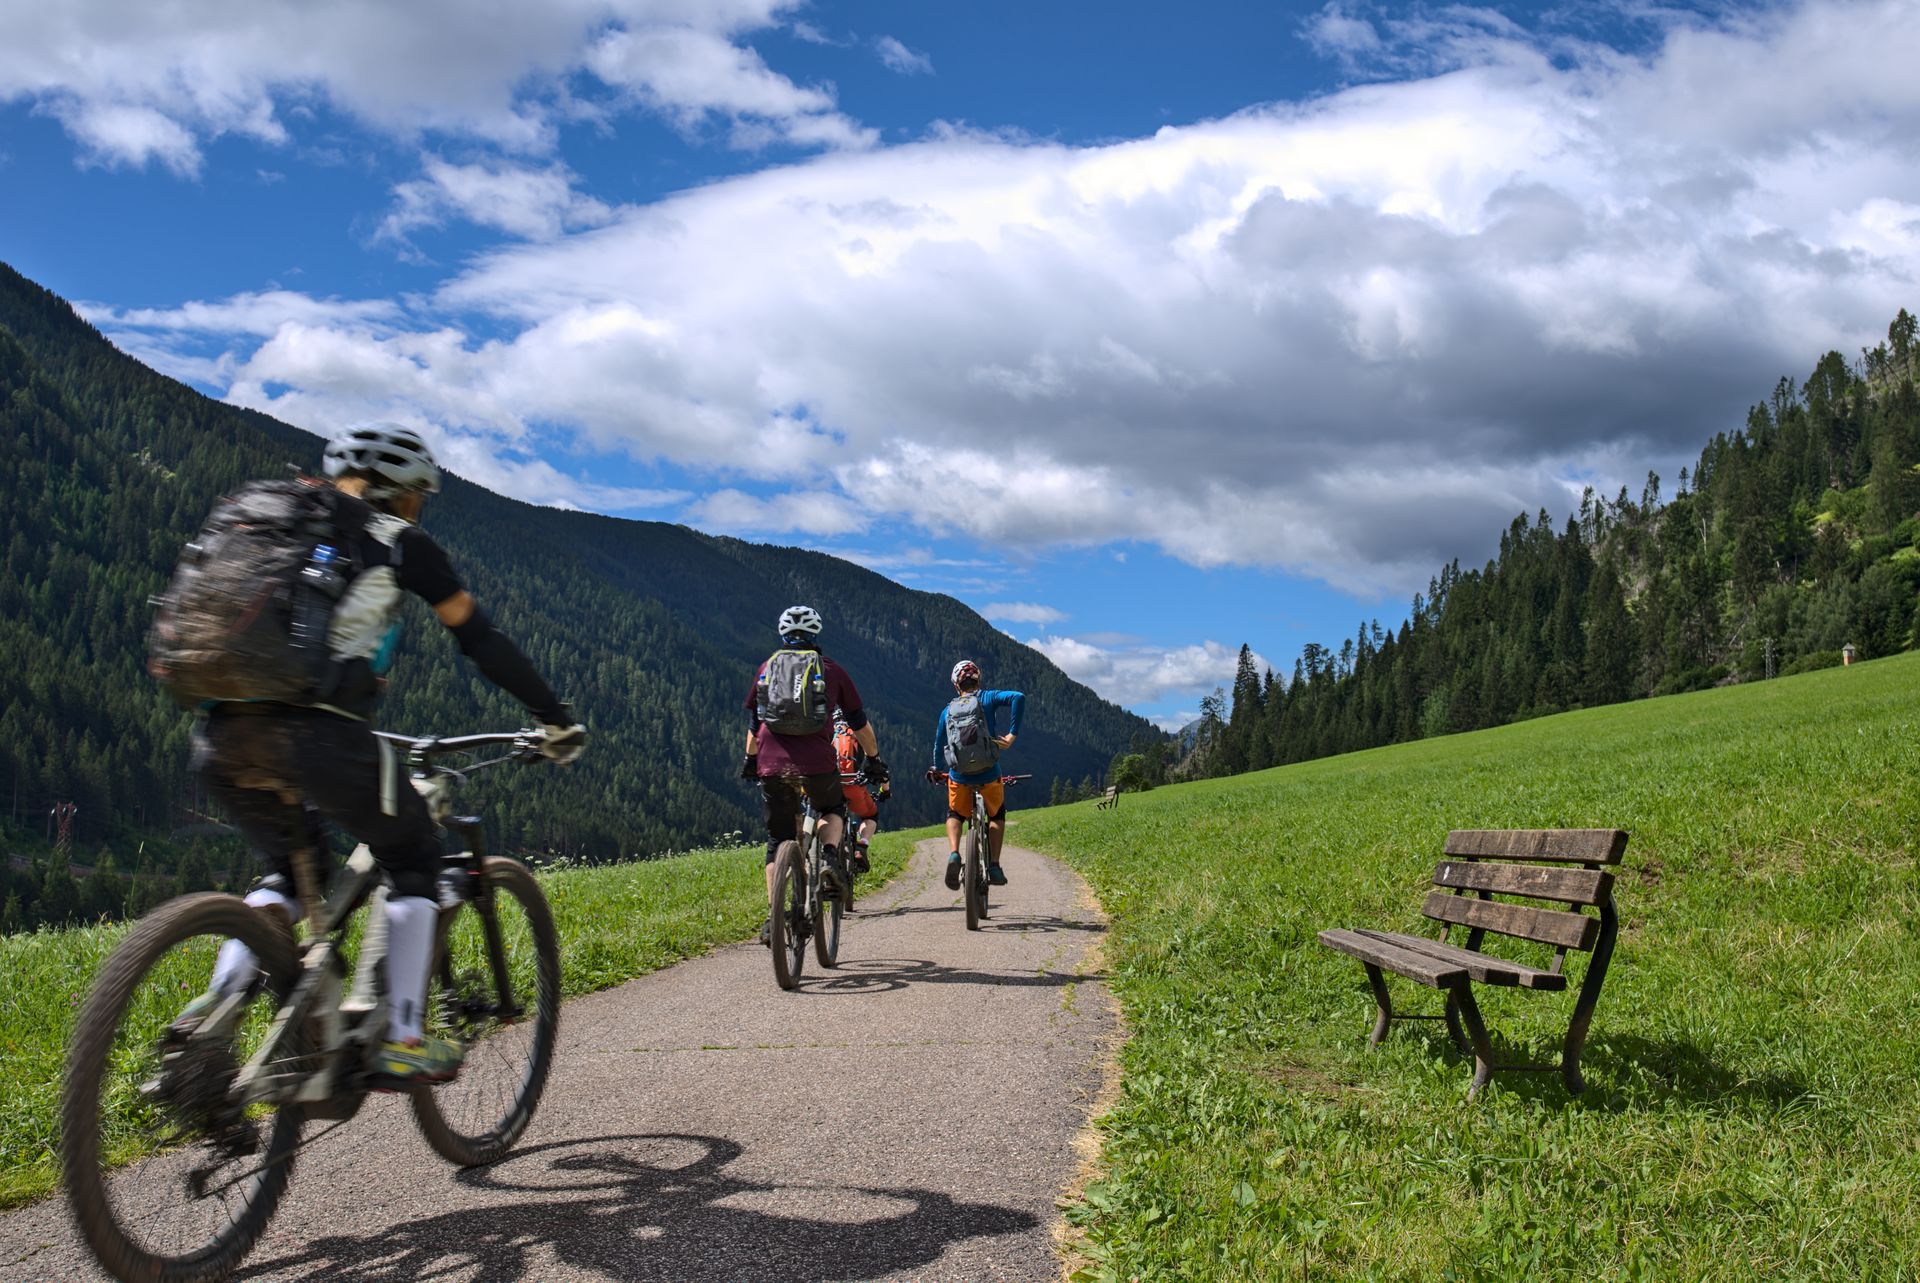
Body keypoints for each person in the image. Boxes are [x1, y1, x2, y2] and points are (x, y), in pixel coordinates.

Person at [172, 423, 585, 1085]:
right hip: (321, 735)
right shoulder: (398, 541)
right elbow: (481, 639)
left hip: (221, 731)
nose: (421, 504)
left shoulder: (267, 522)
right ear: (403, 491)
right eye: (421, 493)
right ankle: (402, 1034)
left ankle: (217, 1008)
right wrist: (553, 717)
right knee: (416, 856)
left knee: (284, 870)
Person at [742, 607, 889, 942]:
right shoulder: (832, 670)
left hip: (772, 764)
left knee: (778, 840)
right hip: (818, 764)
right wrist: (874, 759)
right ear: (815, 636)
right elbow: (858, 723)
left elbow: (755, 726)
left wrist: (751, 762)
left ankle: (774, 916)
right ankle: (827, 857)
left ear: (782, 635)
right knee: (832, 808)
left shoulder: (766, 668)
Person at [927, 660, 1025, 890]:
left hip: (959, 776)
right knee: (997, 815)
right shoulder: (988, 698)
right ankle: (994, 865)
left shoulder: (947, 711)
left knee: (954, 814)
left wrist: (935, 767)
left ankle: (953, 854)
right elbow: (1018, 697)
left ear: (956, 685)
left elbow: (939, 744)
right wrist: (1012, 735)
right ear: (978, 679)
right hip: (989, 772)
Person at [834, 711, 890, 875]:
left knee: (825, 812)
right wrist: (884, 791)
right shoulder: (857, 733)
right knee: (870, 815)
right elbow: (880, 770)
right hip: (852, 785)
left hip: (828, 785)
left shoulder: (826, 730)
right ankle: (862, 846)